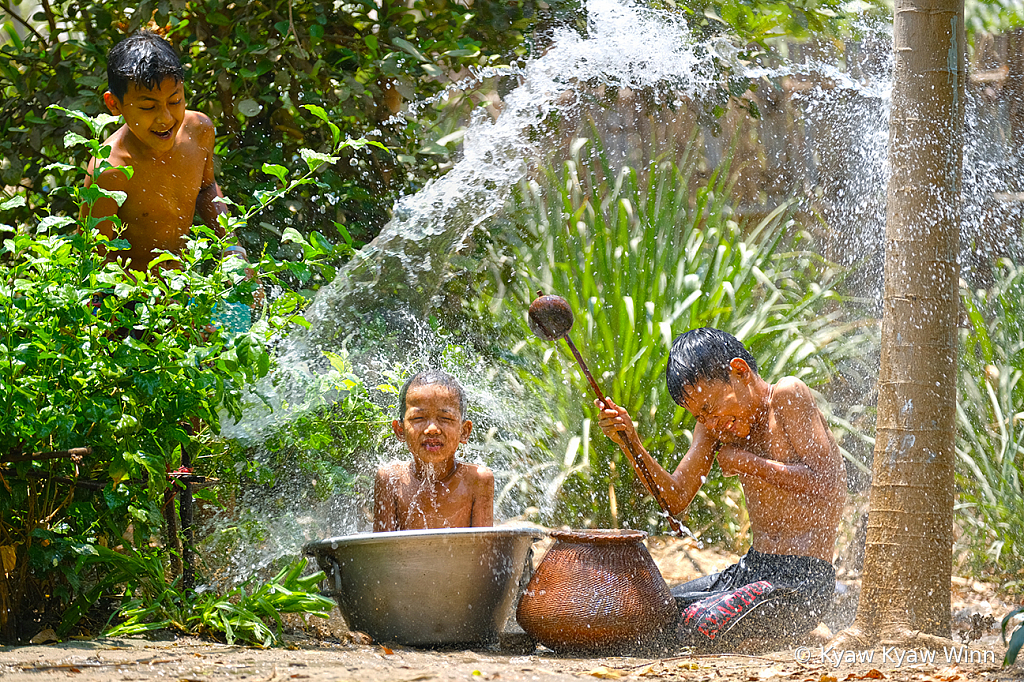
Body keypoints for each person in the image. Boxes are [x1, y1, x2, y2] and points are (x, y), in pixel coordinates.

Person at [596, 327, 846, 650]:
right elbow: (674, 499)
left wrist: (748, 463)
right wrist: (631, 443)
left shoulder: (786, 396)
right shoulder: (715, 424)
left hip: (802, 582)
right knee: (652, 610)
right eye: (700, 415)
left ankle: (796, 630)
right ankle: (776, 633)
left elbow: (832, 485)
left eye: (711, 407)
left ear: (740, 371)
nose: (711, 422)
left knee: (699, 624)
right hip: (753, 569)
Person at [84, 30, 247, 271]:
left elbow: (206, 188)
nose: (165, 118)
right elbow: (94, 259)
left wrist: (233, 251)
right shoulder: (109, 171)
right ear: (114, 104)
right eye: (148, 106)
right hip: (133, 303)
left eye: (174, 101)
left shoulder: (198, 131)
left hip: (183, 288)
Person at [374, 370, 494, 532]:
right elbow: (381, 550)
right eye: (418, 418)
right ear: (400, 430)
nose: (432, 429)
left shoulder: (477, 480)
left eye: (445, 418)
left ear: (464, 432)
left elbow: (484, 549)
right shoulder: (391, 479)